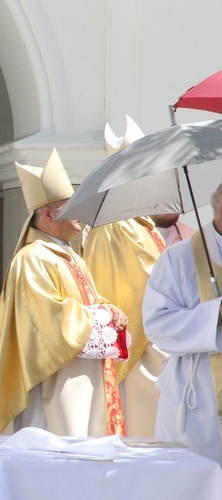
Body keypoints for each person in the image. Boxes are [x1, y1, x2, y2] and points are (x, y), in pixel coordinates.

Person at [0, 149, 130, 499]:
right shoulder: (33, 259)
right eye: (72, 206)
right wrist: (98, 318)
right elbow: (48, 323)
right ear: (49, 214)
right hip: (54, 386)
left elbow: (84, 305)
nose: (81, 215)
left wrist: (108, 311)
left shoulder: (70, 256)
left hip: (83, 380)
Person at [82, 118, 168, 438]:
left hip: (157, 343)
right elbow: (131, 285)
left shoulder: (141, 222)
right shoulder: (113, 225)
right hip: (138, 352)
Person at [143, 183, 222, 467]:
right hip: (197, 395)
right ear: (217, 209)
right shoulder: (177, 259)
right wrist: (214, 315)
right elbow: (157, 324)